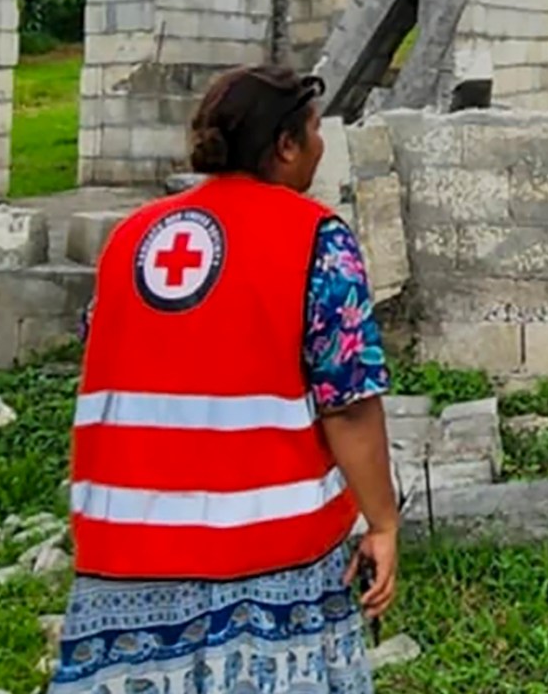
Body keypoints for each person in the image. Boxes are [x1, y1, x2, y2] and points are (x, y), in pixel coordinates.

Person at [52, 64, 402, 694]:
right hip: (269, 560)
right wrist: (382, 522)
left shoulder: (131, 237)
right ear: (286, 146)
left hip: (122, 558)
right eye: (315, 131)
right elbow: (347, 404)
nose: (321, 146)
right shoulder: (316, 241)